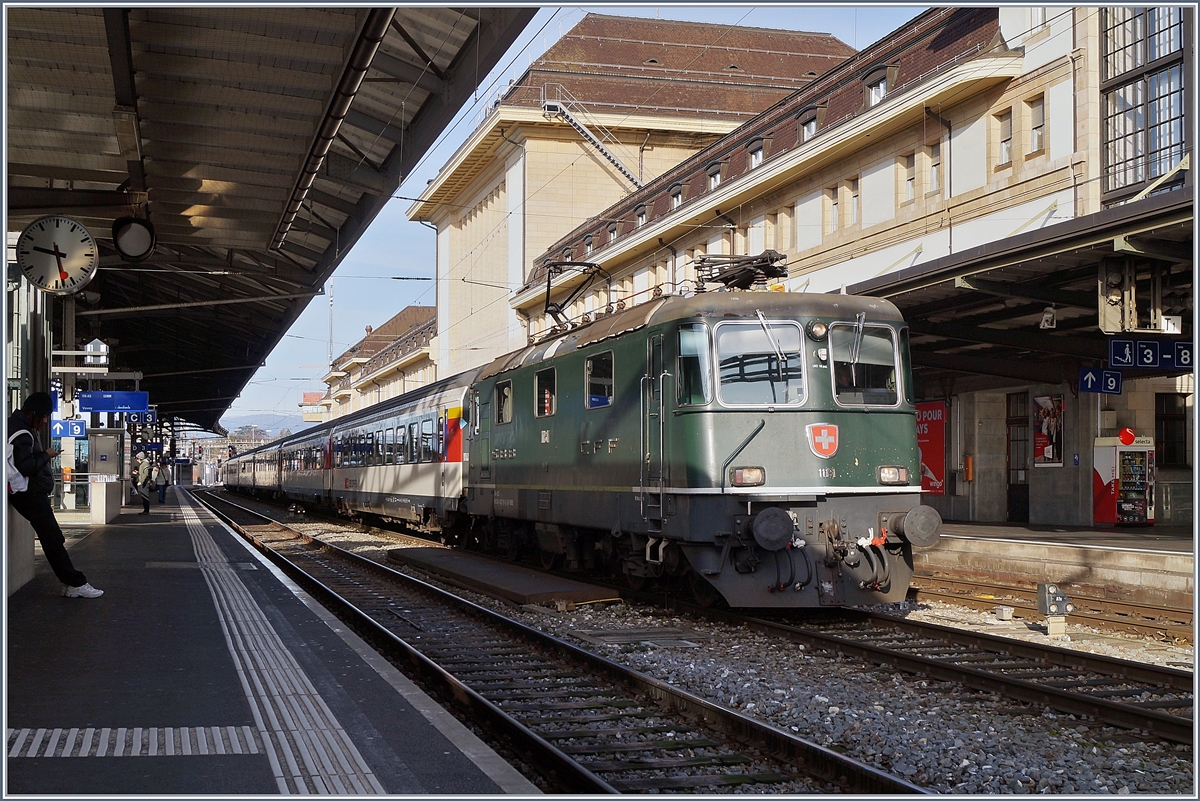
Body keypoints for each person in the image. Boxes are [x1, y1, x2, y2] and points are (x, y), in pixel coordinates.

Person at [6, 392, 103, 598]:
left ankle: (72, 582)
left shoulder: (13, 425)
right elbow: (26, 466)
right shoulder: (22, 432)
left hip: (26, 492)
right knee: (52, 538)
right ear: (33, 412)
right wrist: (46, 455)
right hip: (28, 493)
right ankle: (75, 583)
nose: (44, 420)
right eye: (42, 416)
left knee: (53, 538)